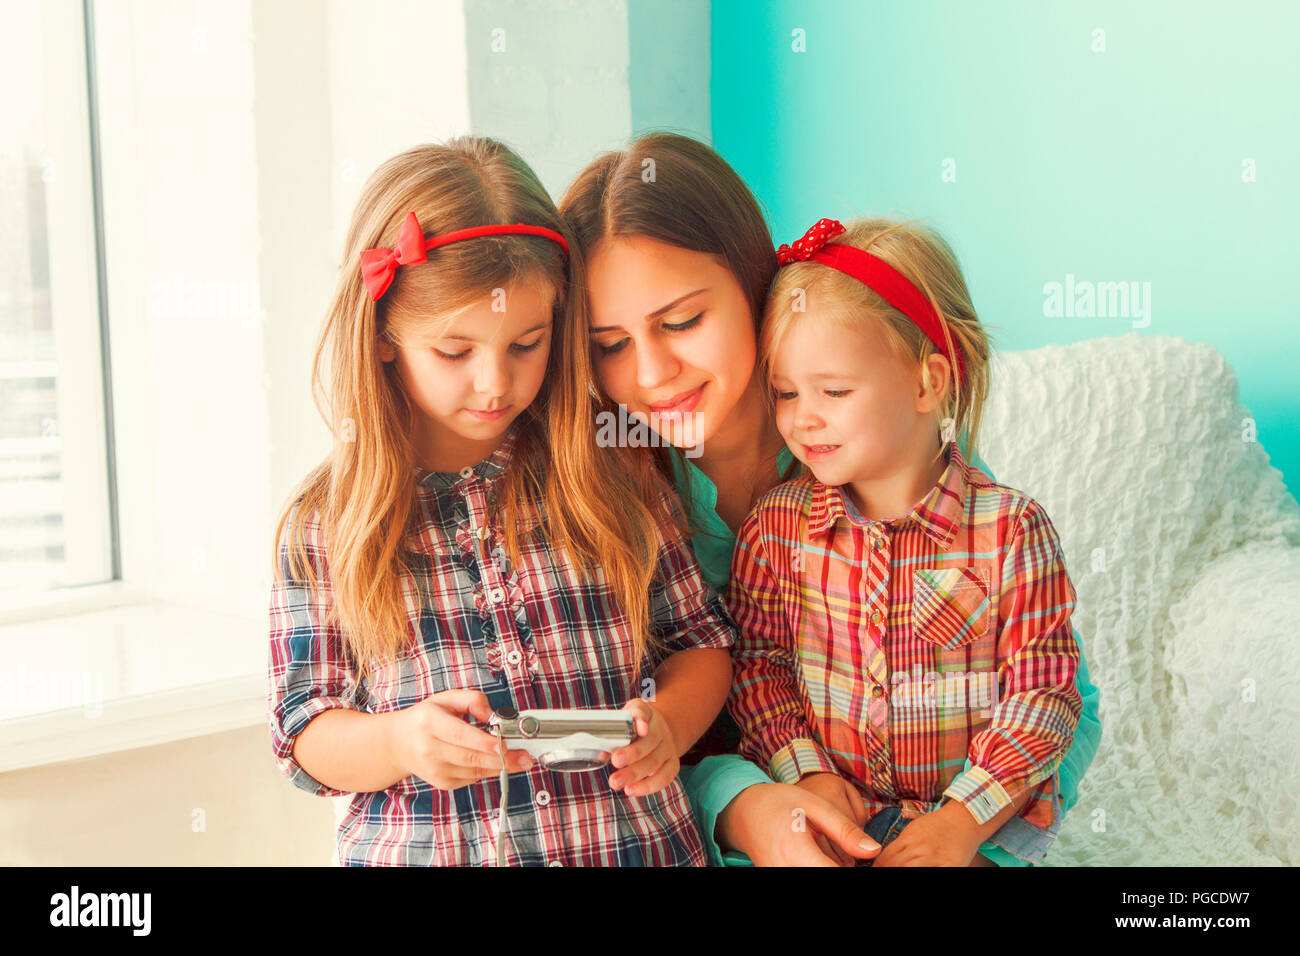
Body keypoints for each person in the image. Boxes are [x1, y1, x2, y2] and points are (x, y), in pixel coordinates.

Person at [560, 132, 1102, 866]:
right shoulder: (606, 491)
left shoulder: (888, 442)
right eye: (610, 345)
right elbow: (622, 747)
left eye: (682, 322)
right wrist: (746, 807)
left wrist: (968, 837)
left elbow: (1060, 696)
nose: (653, 374)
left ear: (758, 285)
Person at [267, 137, 734, 866]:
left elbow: (701, 642)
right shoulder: (326, 522)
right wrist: (398, 741)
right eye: (456, 352)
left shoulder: (613, 470)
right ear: (385, 336)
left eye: (527, 344)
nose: (495, 384)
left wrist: (668, 723)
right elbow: (304, 733)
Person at [726, 215, 1082, 866]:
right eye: (784, 392)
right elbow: (758, 668)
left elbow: (1043, 696)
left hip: (971, 834)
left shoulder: (1009, 532)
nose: (803, 417)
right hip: (830, 826)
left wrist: (962, 822)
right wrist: (805, 773)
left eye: (833, 390)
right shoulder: (774, 532)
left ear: (927, 383)